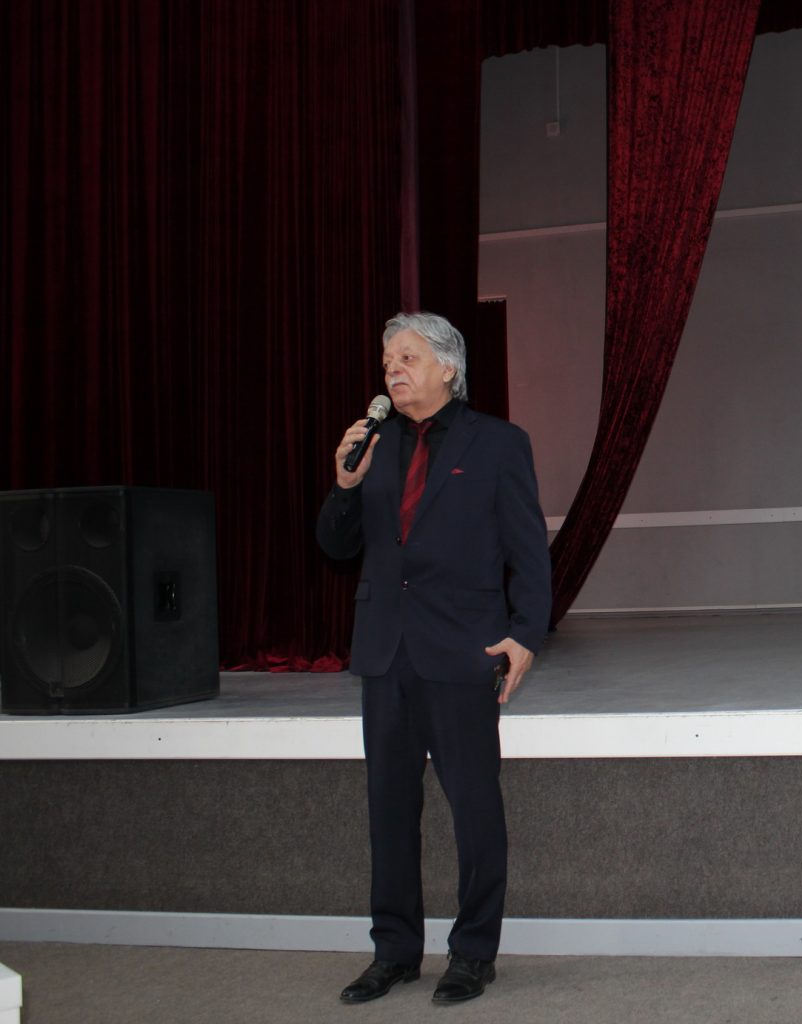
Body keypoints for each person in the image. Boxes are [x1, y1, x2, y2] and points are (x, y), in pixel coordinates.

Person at [316, 311, 551, 1006]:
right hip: (386, 650)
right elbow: (334, 545)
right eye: (388, 358)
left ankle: (473, 953)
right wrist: (345, 485)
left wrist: (526, 633)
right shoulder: (375, 443)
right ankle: (394, 952)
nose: (393, 368)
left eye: (408, 356)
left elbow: (527, 548)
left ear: (448, 367)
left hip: (462, 647)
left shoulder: (498, 443)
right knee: (389, 811)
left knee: (475, 808)